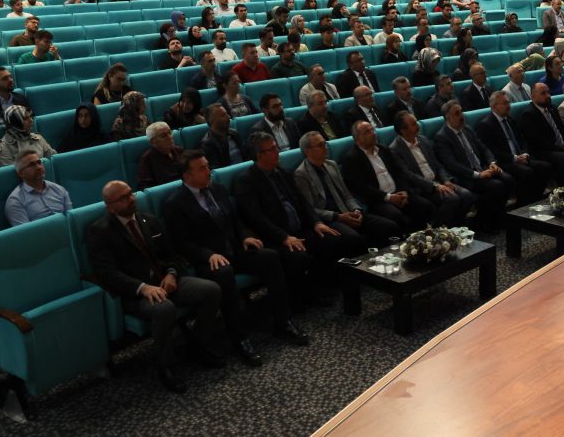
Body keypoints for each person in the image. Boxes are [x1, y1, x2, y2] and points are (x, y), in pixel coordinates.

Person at [163, 152, 308, 369]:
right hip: (208, 259)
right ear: (187, 176)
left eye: (207, 165)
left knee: (269, 257)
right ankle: (240, 338)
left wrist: (245, 236)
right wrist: (207, 254)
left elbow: (235, 220)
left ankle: (283, 321)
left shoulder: (217, 189)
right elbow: (181, 242)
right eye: (201, 168)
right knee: (224, 274)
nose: (208, 171)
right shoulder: (176, 203)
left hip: (234, 248)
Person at [87, 180, 222, 393]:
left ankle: (199, 344)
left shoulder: (147, 219)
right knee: (164, 308)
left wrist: (171, 273)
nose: (131, 199)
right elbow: (108, 273)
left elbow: (171, 255)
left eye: (131, 194)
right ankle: (165, 365)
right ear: (110, 206)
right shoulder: (100, 231)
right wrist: (143, 287)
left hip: (165, 283)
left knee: (211, 290)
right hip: (137, 295)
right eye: (123, 198)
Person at [234, 133, 364, 299]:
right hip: (275, 237)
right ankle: (301, 297)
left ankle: (324, 284)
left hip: (300, 229)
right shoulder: (246, 181)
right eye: (273, 149)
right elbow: (256, 219)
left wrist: (317, 223)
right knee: (298, 256)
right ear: (260, 155)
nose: (278, 151)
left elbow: (303, 203)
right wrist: (284, 237)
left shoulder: (282, 172)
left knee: (332, 238)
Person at [294, 132, 401, 247]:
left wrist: (356, 210)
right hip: (330, 219)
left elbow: (346, 194)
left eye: (325, 143)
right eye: (320, 145)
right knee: (355, 239)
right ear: (307, 151)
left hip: (348, 211)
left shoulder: (331, 165)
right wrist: (337, 216)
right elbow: (310, 209)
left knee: (389, 226)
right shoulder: (301, 174)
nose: (325, 147)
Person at [341, 120, 437, 233]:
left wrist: (403, 191)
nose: (373, 133)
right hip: (378, 200)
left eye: (373, 130)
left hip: (398, 192)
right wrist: (388, 197)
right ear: (357, 138)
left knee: (426, 206)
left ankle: (426, 240)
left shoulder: (383, 149)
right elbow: (362, 187)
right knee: (397, 217)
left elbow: (399, 173)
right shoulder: (351, 159)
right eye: (367, 132)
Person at [433, 101, 513, 231]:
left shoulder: (467, 129)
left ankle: (492, 219)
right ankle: (486, 222)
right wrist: (478, 175)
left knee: (508, 179)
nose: (461, 116)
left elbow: (484, 148)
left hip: (482, 169)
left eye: (461, 111)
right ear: (448, 117)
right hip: (466, 177)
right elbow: (451, 165)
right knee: (496, 186)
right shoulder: (442, 137)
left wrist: (492, 163)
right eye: (457, 113)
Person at [389, 112, 476, 227]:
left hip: (438, 181)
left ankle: (456, 228)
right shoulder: (395, 149)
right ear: (403, 130)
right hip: (422, 188)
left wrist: (445, 180)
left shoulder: (423, 140)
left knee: (466, 195)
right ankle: (438, 231)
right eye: (414, 124)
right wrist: (434, 186)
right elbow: (408, 175)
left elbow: (437, 165)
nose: (418, 126)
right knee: (451, 198)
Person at [519, 82, 564, 186]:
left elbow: (562, 131)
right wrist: (562, 149)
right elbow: (538, 142)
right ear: (533, 96)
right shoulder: (528, 114)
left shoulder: (552, 108)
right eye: (543, 93)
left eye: (548, 92)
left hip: (561, 147)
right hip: (544, 151)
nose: (547, 96)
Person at [4, 150, 72, 227]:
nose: (39, 167)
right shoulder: (15, 201)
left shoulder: (59, 189)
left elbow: (71, 219)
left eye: (39, 162)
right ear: (21, 173)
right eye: (32, 165)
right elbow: (25, 234)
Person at [135, 122, 185, 190]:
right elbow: (144, 188)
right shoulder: (147, 159)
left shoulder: (180, 151)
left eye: (170, 132)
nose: (170, 137)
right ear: (153, 142)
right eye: (163, 135)